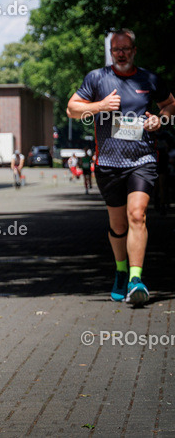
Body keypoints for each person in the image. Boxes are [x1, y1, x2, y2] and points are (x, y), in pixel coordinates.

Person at [66, 28, 175, 306]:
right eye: (116, 49)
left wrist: (160, 121)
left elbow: (170, 105)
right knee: (118, 225)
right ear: (111, 52)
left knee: (137, 215)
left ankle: (136, 279)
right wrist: (101, 105)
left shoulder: (148, 78)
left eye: (126, 48)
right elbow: (72, 109)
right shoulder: (97, 78)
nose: (121, 53)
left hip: (142, 160)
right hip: (109, 163)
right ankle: (121, 270)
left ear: (134, 50)